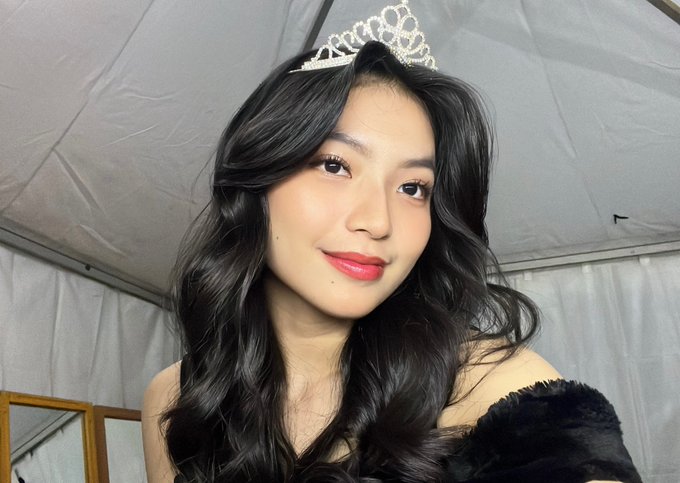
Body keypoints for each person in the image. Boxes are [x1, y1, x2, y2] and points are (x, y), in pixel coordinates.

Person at [142, 3, 642, 482]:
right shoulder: (176, 395)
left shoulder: (487, 385)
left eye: (413, 188)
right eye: (335, 165)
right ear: (257, 180)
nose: (378, 221)